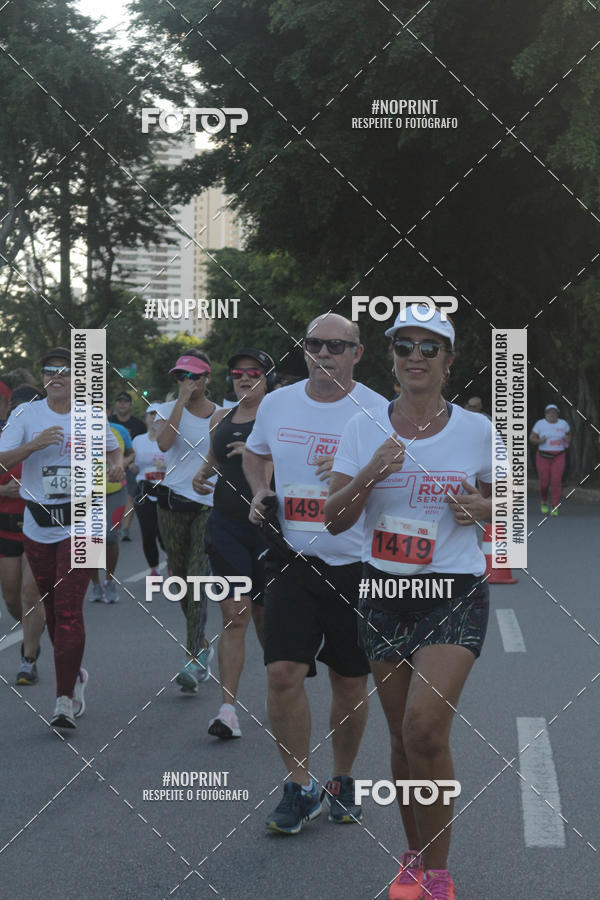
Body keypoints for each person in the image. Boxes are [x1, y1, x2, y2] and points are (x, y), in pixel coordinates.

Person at [325, 304, 494, 900]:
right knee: (400, 738)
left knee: (424, 729)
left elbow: (513, 506)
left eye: (429, 348)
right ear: (392, 358)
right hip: (384, 591)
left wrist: (486, 509)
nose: (415, 357)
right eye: (404, 347)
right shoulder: (363, 426)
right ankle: (415, 857)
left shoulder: (477, 430)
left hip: (452, 590)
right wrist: (371, 471)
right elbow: (334, 517)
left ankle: (439, 875)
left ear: (449, 361)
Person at [244, 313, 384, 834]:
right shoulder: (277, 403)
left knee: (349, 680)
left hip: (358, 565)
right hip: (291, 559)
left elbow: (402, 482)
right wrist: (261, 489)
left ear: (356, 353)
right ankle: (299, 787)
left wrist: (356, 478)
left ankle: (341, 779)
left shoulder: (378, 411)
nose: (323, 353)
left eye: (335, 346)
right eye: (314, 344)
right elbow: (255, 454)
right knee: (282, 672)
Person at [0, 348, 123, 729]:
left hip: (84, 521)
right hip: (38, 523)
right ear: (42, 377)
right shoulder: (26, 415)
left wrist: (116, 465)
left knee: (69, 608)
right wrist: (33, 446)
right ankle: (75, 673)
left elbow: (113, 450)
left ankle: (63, 699)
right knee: (51, 608)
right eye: (49, 370)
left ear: (77, 379)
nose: (56, 376)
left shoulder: (91, 415)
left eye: (64, 371)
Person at [192, 348, 274, 740]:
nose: (244, 378)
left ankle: (279, 689)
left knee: (264, 618)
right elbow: (215, 454)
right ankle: (228, 710)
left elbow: (294, 468)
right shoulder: (221, 418)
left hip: (268, 529)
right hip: (226, 525)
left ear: (267, 378)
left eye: (253, 372)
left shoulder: (278, 418)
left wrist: (256, 458)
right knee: (235, 614)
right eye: (238, 373)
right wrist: (201, 474)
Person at [155, 351, 220, 692]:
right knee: (179, 581)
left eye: (193, 376)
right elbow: (164, 444)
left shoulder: (221, 414)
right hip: (171, 506)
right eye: (181, 376)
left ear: (206, 379)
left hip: (207, 505)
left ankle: (193, 659)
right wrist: (180, 401)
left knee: (196, 580)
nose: (187, 382)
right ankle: (203, 644)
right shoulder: (166, 410)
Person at [0, 385, 45, 685]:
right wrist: (2, 490)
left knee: (31, 592)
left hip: (38, 526)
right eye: (17, 407)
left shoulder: (50, 440)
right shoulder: (4, 442)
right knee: (12, 597)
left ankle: (28, 659)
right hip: (5, 527)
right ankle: (33, 627)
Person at [89, 418, 134, 603]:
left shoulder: (119, 430)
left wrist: (120, 465)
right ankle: (95, 584)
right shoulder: (74, 427)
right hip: (86, 492)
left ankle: (109, 580)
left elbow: (131, 453)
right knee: (89, 539)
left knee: (110, 536)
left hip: (114, 490)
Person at [130, 405, 166, 577]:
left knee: (163, 531)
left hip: (166, 489)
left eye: (158, 414)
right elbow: (134, 466)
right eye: (151, 413)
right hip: (144, 489)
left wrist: (164, 465)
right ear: (146, 418)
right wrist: (130, 466)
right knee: (147, 531)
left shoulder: (169, 440)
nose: (154, 417)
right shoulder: (138, 440)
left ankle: (171, 559)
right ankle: (154, 569)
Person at [109, 392, 146, 541]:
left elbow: (140, 447)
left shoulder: (139, 425)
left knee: (130, 496)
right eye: (120, 401)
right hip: (108, 465)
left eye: (126, 401)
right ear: (115, 405)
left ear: (130, 404)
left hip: (130, 465)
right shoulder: (108, 422)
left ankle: (125, 529)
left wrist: (131, 462)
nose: (122, 404)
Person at [529, 403, 570, 515]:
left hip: (559, 456)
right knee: (544, 483)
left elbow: (568, 436)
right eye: (549, 413)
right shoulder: (540, 424)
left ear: (558, 414)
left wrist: (567, 441)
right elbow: (532, 438)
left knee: (556, 480)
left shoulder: (563, 424)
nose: (552, 415)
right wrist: (539, 441)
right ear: (545, 414)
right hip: (543, 456)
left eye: (554, 413)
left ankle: (555, 506)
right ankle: (544, 500)